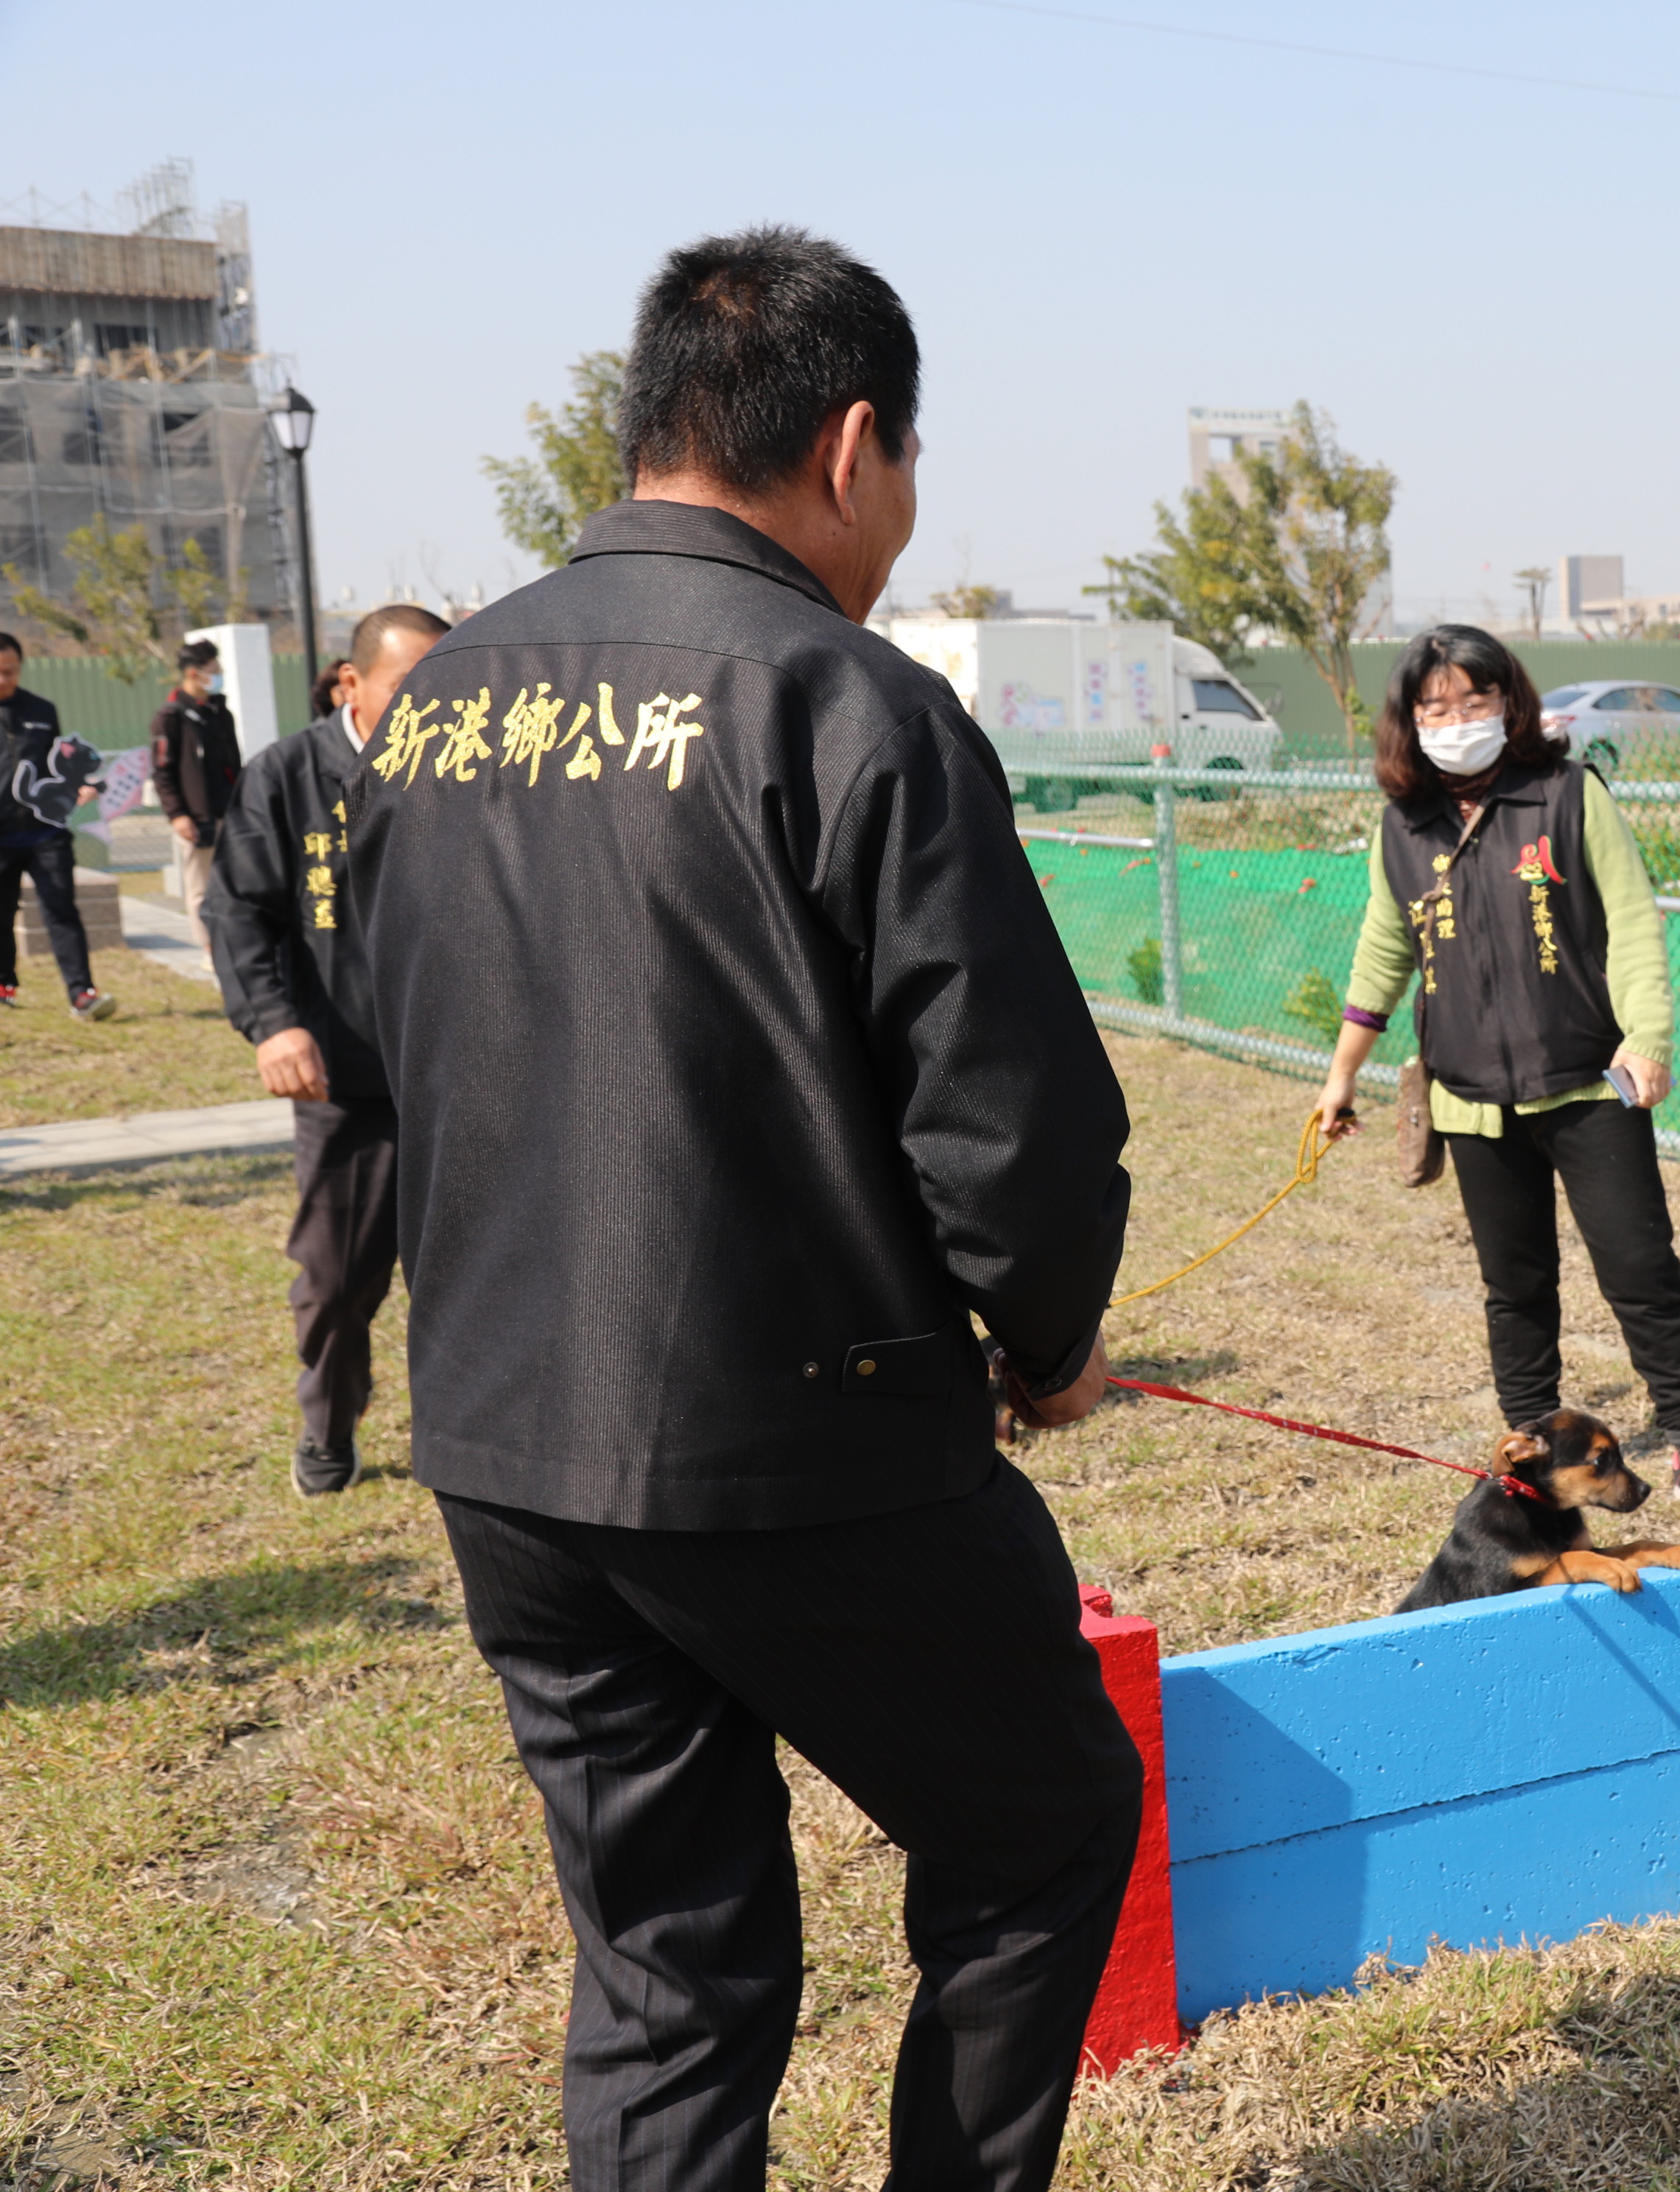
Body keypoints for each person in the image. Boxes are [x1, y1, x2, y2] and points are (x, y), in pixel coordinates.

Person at [342, 226, 1142, 2192]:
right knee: (1038, 1827)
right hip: (802, 1444)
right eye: (913, 468)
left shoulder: (434, 714)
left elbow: (391, 1060)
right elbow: (1013, 1126)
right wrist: (1044, 1345)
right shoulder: (845, 702)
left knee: (669, 1968)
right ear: (852, 443)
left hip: (509, 1441)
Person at [1310, 625, 1680, 1509]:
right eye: (1436, 707)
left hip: (1591, 1084)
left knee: (1638, 1264)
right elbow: (1381, 953)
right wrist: (1342, 1075)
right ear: (1409, 722)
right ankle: (1527, 1448)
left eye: (1476, 701)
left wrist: (1648, 1038)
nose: (1458, 719)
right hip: (1473, 1100)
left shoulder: (1565, 794)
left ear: (1510, 703)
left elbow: (1632, 923)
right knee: (1514, 1285)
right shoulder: (1402, 829)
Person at [206, 603, 449, 1497]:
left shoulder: (473, 766)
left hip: (463, 1076)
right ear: (352, 684)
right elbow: (238, 908)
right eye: (407, 690)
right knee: (337, 1282)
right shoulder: (290, 776)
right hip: (348, 1079)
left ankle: (463, 1443)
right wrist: (275, 1022)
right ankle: (330, 1423)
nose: (431, 708)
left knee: (471, 1281)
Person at [0, 632, 116, 1019]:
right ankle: (4, 985)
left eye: (11, 672)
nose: (4, 680)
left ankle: (82, 993)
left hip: (46, 832)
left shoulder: (42, 710)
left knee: (61, 909)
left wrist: (78, 786)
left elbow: (55, 766)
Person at [150, 635, 242, 927]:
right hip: (197, 819)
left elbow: (234, 764)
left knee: (235, 887)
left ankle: (233, 944)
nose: (218, 677)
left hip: (229, 813)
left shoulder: (220, 713)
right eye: (214, 671)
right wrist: (178, 815)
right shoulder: (170, 718)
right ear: (194, 673)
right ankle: (209, 950)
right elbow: (163, 772)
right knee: (201, 890)